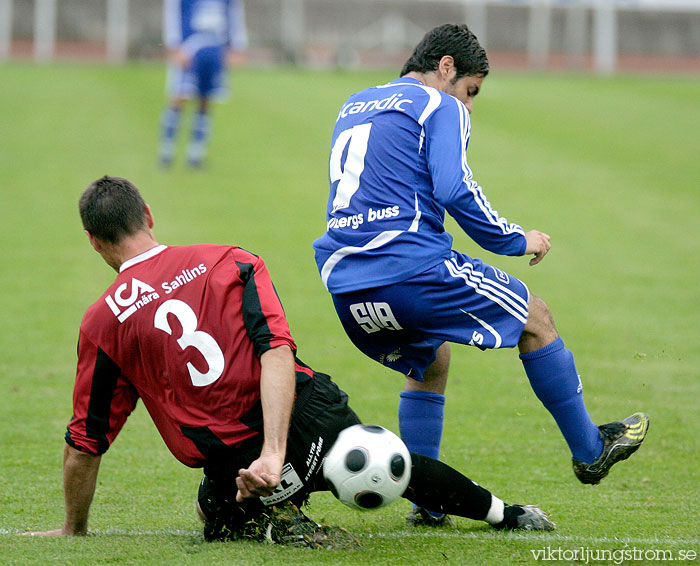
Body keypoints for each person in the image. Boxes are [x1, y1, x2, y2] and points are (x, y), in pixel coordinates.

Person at [26, 176, 554, 545]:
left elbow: (86, 442)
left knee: (219, 516)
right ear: (147, 215)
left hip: (236, 465)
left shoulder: (103, 322)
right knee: (384, 461)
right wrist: (277, 449)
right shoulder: (228, 259)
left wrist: (75, 529)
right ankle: (508, 514)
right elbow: (275, 350)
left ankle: (279, 508)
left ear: (94, 242)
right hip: (305, 420)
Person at [312, 24, 649, 526]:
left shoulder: (355, 103)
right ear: (445, 67)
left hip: (346, 285)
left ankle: (428, 503)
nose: (468, 106)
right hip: (411, 269)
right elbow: (454, 188)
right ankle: (590, 449)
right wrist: (518, 239)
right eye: (471, 92)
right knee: (536, 318)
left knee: (429, 362)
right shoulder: (438, 104)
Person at [158, 0, 247, 168]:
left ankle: (196, 155)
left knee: (206, 99)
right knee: (180, 97)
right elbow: (173, 11)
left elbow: (234, 13)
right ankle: (166, 152)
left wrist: (237, 46)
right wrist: (174, 45)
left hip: (216, 48)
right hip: (189, 49)